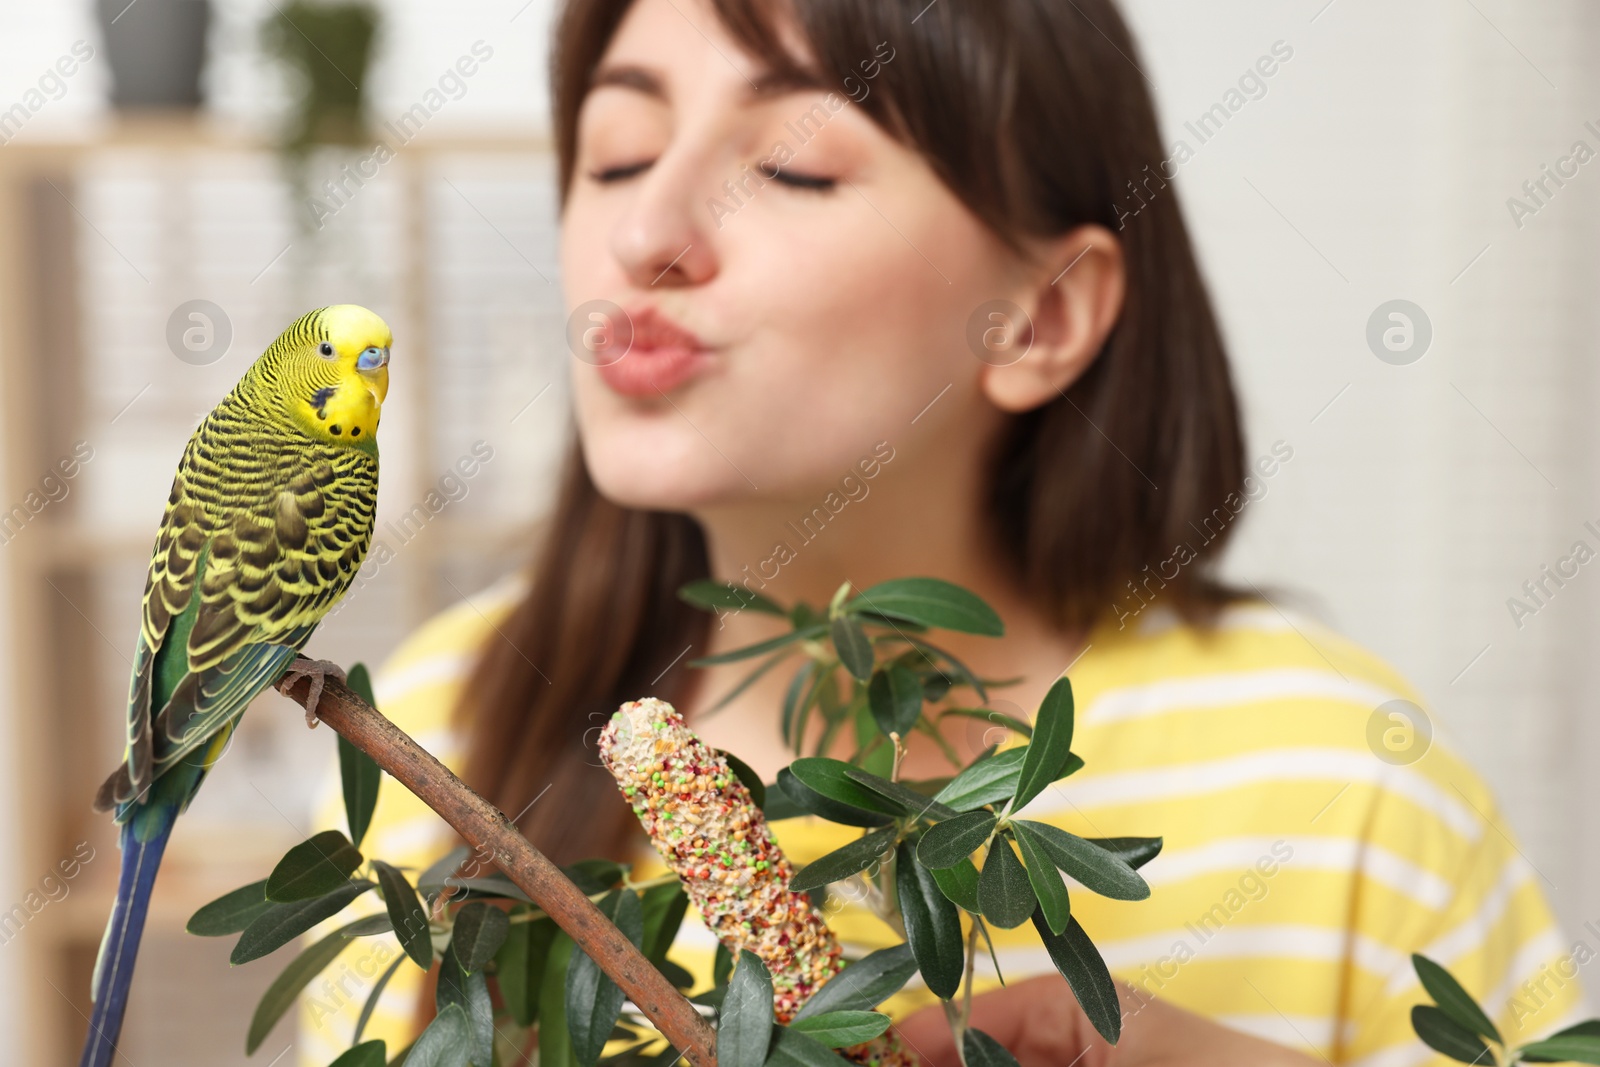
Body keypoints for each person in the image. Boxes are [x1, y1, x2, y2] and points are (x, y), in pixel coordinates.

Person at [296, 0, 1584, 1063]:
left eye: (791, 164)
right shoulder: (436, 728)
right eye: (617, 152)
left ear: (1042, 315)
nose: (644, 234)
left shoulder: (1348, 778)